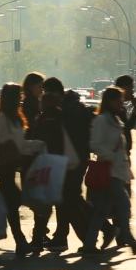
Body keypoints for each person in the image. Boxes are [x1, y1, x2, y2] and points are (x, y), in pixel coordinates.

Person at [83, 87, 136, 255]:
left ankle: (90, 245)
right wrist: (110, 156)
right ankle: (131, 243)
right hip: (109, 171)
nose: (121, 103)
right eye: (118, 100)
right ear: (110, 101)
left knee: (103, 210)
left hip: (117, 171)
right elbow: (95, 144)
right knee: (123, 206)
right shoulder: (102, 120)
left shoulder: (115, 119)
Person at [0, 83, 45, 256]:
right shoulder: (1, 118)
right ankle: (20, 241)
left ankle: (20, 241)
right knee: (15, 202)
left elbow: (20, 145)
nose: (21, 97)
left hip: (12, 166)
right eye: (18, 95)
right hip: (4, 168)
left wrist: (38, 145)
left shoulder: (15, 117)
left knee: (13, 203)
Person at [43, 77, 93, 252]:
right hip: (74, 159)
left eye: (46, 93)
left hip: (72, 161)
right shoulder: (70, 106)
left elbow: (66, 136)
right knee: (67, 199)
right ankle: (62, 236)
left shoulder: (66, 110)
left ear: (54, 93)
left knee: (69, 199)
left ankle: (93, 235)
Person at [21, 72, 45, 138]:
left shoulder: (30, 101)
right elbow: (33, 123)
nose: (41, 90)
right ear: (30, 87)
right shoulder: (31, 102)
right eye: (39, 87)